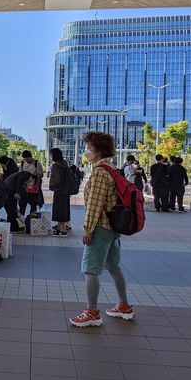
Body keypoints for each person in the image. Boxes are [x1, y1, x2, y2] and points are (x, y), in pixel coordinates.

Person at [70, 131, 133, 327]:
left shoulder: (99, 172)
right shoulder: (112, 168)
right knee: (114, 266)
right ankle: (124, 306)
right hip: (113, 227)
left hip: (101, 227)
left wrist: (88, 229)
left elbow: (95, 204)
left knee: (90, 269)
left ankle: (92, 312)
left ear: (97, 151)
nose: (86, 151)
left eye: (88, 148)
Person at [49, 148, 71, 236]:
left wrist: (52, 186)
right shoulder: (65, 163)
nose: (50, 156)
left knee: (59, 209)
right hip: (65, 190)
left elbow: (56, 179)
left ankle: (62, 230)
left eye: (51, 155)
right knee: (64, 209)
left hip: (59, 190)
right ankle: (60, 227)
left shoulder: (55, 165)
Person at [19, 150, 44, 216]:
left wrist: (37, 187)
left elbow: (40, 176)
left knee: (33, 204)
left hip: (33, 187)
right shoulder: (22, 163)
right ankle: (21, 221)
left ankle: (32, 220)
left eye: (28, 158)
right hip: (24, 188)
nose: (27, 160)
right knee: (22, 205)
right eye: (25, 159)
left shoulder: (37, 163)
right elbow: (20, 175)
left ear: (31, 157)